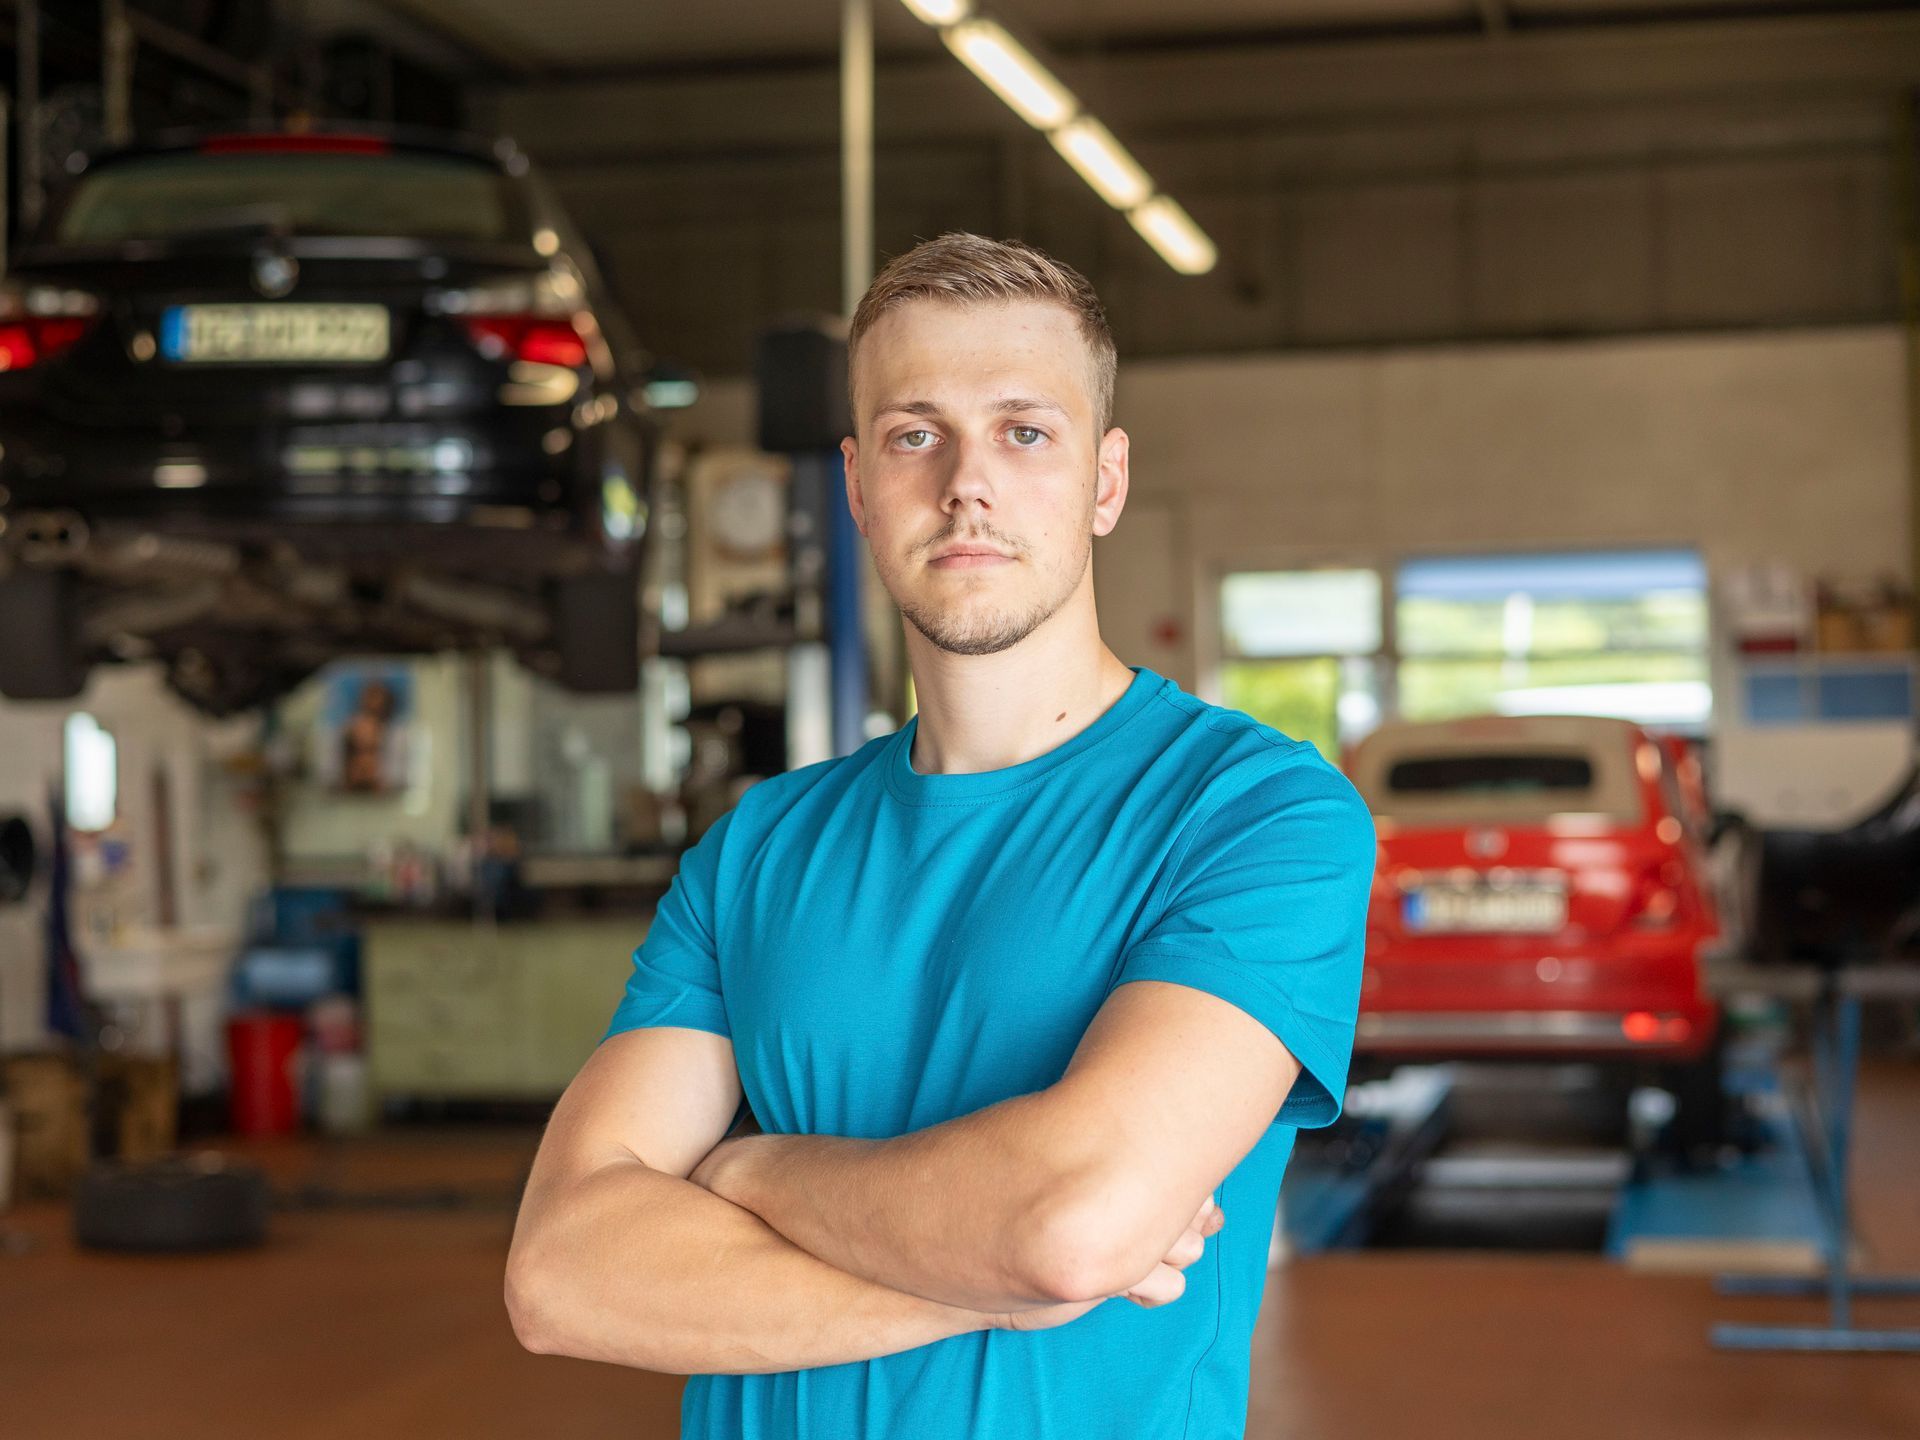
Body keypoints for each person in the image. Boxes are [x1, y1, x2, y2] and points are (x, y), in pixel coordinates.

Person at [505, 233, 1376, 1438]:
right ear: (859, 484)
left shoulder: (1253, 814)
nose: (968, 481)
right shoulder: (757, 849)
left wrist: (748, 1171)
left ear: (1105, 481)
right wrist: (999, 1288)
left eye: (1026, 431)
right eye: (918, 434)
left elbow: (1072, 1225)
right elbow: (561, 1275)